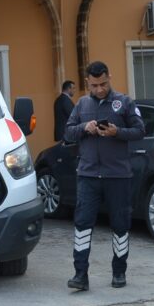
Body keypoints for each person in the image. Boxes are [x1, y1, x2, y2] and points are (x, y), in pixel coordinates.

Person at [63, 61, 145, 291]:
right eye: (94, 85)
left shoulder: (125, 102)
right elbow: (68, 132)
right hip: (88, 175)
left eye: (103, 84)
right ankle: (80, 275)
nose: (99, 89)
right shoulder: (82, 104)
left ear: (110, 78)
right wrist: (84, 128)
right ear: (87, 82)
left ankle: (119, 272)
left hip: (118, 176)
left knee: (120, 225)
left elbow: (140, 131)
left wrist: (117, 132)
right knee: (82, 224)